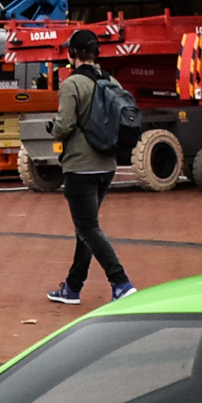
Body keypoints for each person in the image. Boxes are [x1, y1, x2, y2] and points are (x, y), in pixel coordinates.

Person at [48, 29, 135, 305]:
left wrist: (53, 129)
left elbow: (64, 125)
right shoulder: (111, 80)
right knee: (85, 228)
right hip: (107, 165)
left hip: (81, 166)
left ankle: (120, 281)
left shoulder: (71, 85)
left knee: (87, 228)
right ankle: (72, 288)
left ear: (73, 54)